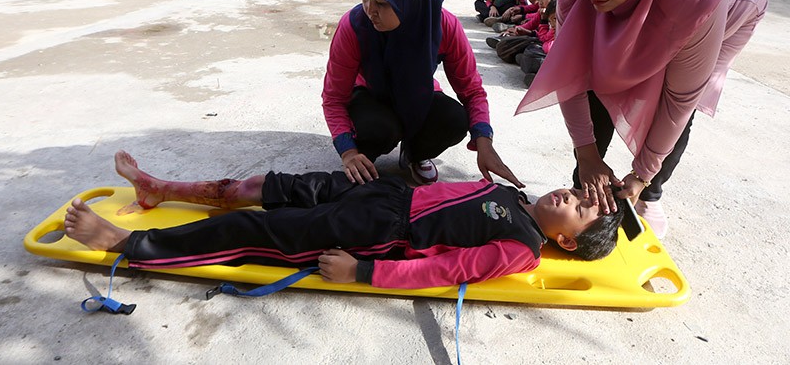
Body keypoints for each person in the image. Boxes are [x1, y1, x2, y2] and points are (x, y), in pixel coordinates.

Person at [515, 0, 768, 239]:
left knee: (672, 97)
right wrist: (586, 155)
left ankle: (650, 194)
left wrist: (642, 173)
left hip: (733, 11)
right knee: (600, 79)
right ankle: (590, 193)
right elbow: (571, 73)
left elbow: (680, 101)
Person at [63, 151, 625, 289]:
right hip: (381, 195)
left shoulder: (522, 246)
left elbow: (450, 270)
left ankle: (126, 243)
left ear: (565, 243)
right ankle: (159, 188)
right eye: (578, 192)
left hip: (373, 234)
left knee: (252, 233)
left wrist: (365, 273)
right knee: (265, 187)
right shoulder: (513, 193)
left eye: (576, 208)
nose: (569, 195)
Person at [322, 0, 522, 188]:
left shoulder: (443, 25)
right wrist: (348, 152)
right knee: (377, 129)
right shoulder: (354, 26)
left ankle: (414, 153)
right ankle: (365, 156)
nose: (369, 10)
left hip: (418, 93)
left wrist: (484, 141)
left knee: (454, 119)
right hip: (371, 95)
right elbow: (334, 97)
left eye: (381, 2)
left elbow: (471, 90)